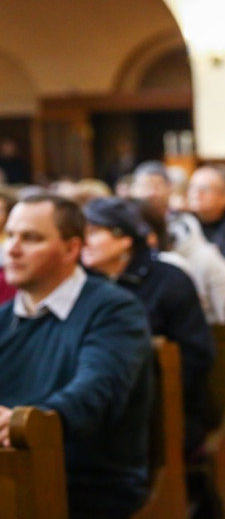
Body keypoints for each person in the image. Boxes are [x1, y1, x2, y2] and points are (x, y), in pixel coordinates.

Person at [0, 194, 153, 518]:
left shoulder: (114, 310)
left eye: (31, 238)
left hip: (85, 485)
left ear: (71, 249)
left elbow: (96, 393)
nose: (11, 249)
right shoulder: (3, 318)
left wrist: (23, 423)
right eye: (9, 235)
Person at [81, 197, 214, 457]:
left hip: (164, 409)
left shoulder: (169, 280)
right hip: (98, 406)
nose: (84, 242)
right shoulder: (82, 284)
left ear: (124, 239)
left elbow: (197, 356)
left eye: (93, 232)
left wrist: (141, 397)